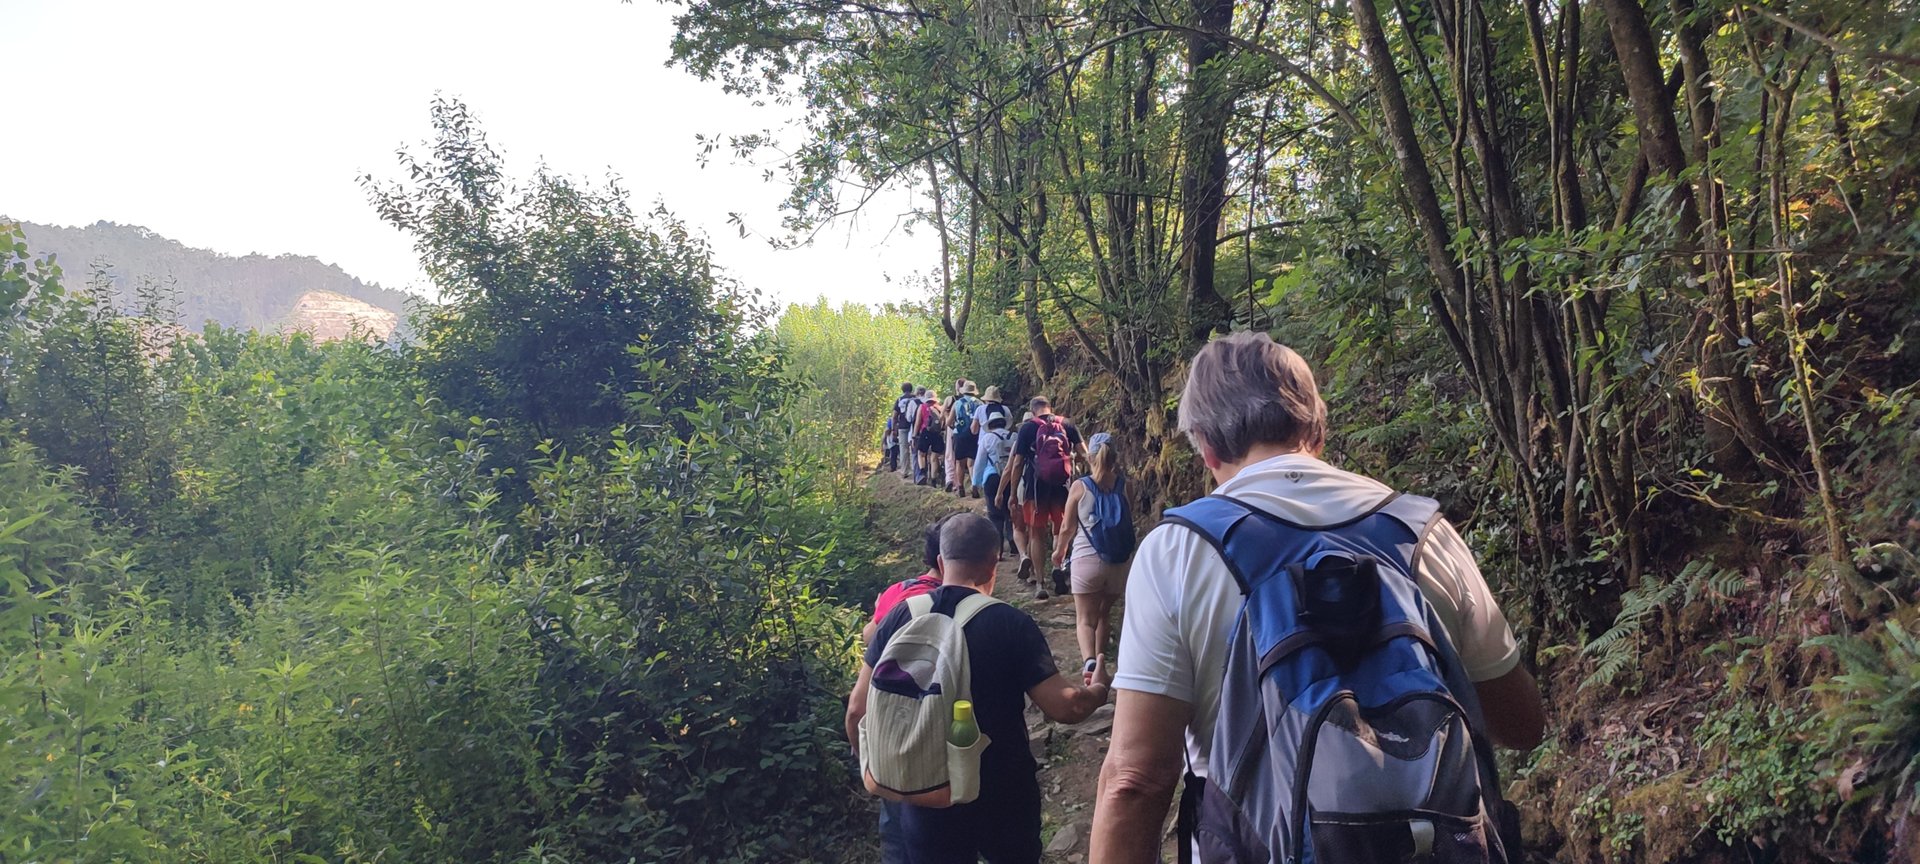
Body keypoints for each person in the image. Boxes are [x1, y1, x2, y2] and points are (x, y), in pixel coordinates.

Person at [1087, 332, 1547, 863]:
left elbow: (1136, 781)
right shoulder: (1424, 535)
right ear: (1317, 430)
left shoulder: (1178, 551)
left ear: (1206, 446)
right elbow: (1522, 724)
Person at [848, 515, 1113, 864]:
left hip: (927, 791)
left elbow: (856, 710)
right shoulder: (1010, 622)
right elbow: (1067, 707)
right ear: (993, 563)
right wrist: (1099, 689)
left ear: (941, 561)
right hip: (1003, 792)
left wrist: (878, 764)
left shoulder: (900, 617)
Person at [852, 517, 953, 864]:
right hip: (938, 730)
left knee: (895, 832)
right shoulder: (957, 602)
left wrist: (863, 754)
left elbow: (869, 635)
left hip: (888, 728)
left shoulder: (899, 591)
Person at [1051, 432, 1132, 678]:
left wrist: (1059, 551)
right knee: (1104, 615)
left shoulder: (1080, 486)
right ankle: (1101, 662)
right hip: (1118, 562)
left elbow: (1067, 527)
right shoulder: (1125, 486)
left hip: (1087, 560)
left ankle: (1089, 664)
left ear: (1090, 458)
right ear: (1115, 457)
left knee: (1085, 619)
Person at [996, 397, 1087, 601]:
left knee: (1036, 534)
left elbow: (1017, 463)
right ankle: (1058, 566)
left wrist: (1012, 494)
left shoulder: (1028, 428)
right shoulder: (1067, 424)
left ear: (1032, 410)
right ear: (1050, 407)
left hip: (1035, 488)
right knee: (1061, 530)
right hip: (1063, 486)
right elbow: (1086, 454)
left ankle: (1040, 583)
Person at [973, 394, 1018, 555]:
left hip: (992, 478)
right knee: (1010, 511)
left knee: (994, 514)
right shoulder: (1014, 437)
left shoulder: (987, 439)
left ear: (990, 425)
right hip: (1011, 477)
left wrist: (975, 483)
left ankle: (998, 548)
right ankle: (1013, 542)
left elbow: (980, 462)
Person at [949, 382, 982, 498]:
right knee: (972, 463)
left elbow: (949, 421)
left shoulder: (957, 403)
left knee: (960, 462)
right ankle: (974, 486)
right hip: (975, 434)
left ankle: (960, 488)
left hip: (960, 435)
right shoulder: (980, 403)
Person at [914, 388, 946, 487]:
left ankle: (922, 473)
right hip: (937, 434)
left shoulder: (922, 407)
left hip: (926, 432)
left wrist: (914, 435)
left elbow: (918, 422)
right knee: (934, 458)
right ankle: (933, 480)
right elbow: (944, 423)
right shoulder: (940, 408)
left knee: (921, 454)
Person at [894, 383, 920, 481]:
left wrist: (894, 429)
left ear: (902, 390)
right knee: (915, 448)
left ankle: (905, 470)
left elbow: (894, 416)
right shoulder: (916, 399)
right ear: (911, 389)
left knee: (903, 448)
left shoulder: (899, 399)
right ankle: (915, 469)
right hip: (914, 426)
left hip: (902, 426)